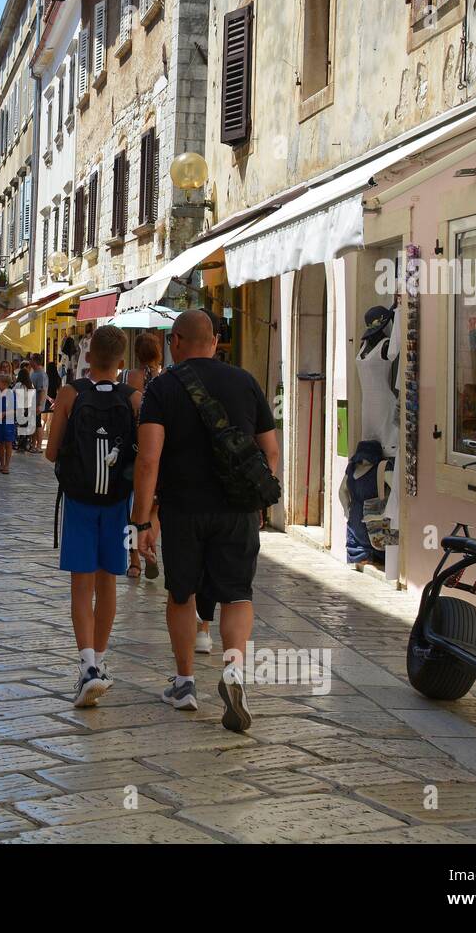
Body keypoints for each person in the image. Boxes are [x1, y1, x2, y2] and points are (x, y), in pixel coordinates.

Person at [133, 310, 279, 729]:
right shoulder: (246, 382)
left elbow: (148, 459)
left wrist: (142, 522)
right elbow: (270, 451)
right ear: (214, 341)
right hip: (237, 510)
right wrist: (257, 501)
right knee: (237, 594)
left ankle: (184, 684)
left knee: (182, 595)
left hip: (183, 510)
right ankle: (233, 671)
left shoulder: (162, 388)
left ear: (175, 341)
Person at [45, 325, 140, 708]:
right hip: (118, 504)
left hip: (80, 501)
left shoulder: (69, 395)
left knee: (81, 588)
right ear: (121, 361)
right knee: (108, 586)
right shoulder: (134, 399)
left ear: (88, 356)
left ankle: (85, 667)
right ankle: (99, 663)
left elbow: (51, 453)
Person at [123, 331, 165, 584]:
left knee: (131, 509)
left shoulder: (127, 378)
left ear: (137, 353)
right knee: (153, 508)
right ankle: (152, 551)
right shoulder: (165, 380)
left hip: (129, 451)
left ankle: (134, 562)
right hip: (155, 450)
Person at [0, 371, 17, 474]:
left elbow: (15, 409)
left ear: (5, 383)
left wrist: (4, 413)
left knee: (8, 443)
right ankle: (1, 464)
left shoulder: (11, 394)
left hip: (8, 422)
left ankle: (7, 465)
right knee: (0, 443)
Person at [29, 353, 49, 452]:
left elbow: (42, 390)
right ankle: (33, 445)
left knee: (37, 424)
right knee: (34, 424)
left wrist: (39, 404)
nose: (29, 361)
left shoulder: (41, 374)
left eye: (31, 359)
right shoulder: (34, 372)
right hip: (32, 403)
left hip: (37, 403)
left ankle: (39, 446)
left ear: (35, 361)